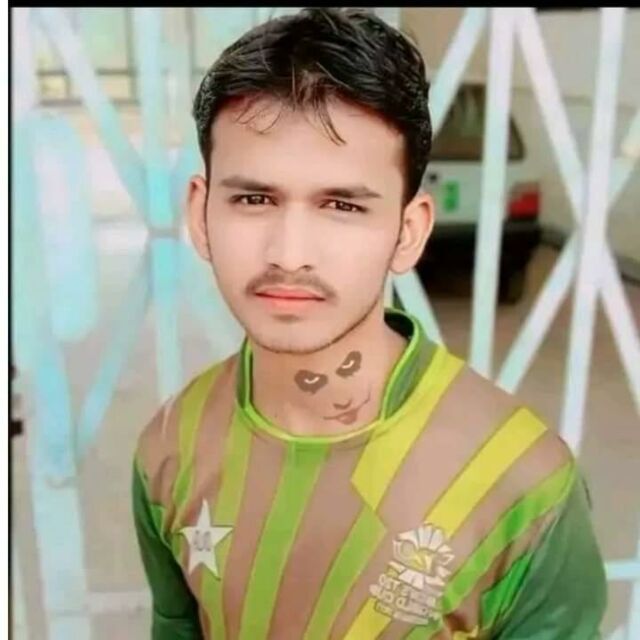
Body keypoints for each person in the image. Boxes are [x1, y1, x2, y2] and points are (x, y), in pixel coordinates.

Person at [132, 8, 607, 639]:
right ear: (200, 214)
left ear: (408, 232)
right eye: (254, 199)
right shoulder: (170, 445)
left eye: (342, 205)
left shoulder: (526, 484)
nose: (289, 254)